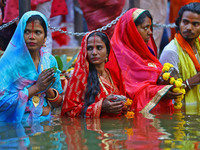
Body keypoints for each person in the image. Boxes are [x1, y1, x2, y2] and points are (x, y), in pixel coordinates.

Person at [111, 8, 182, 115]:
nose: (150, 32)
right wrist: (159, 93)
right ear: (132, 29)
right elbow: (128, 92)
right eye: (145, 28)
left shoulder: (147, 52)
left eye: (150, 27)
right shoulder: (120, 56)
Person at [0, 11, 63, 122]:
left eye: (37, 32)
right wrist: (36, 88)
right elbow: (2, 103)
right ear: (20, 35)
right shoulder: (9, 64)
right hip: (17, 127)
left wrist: (47, 89)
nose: (32, 37)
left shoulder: (49, 61)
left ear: (45, 38)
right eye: (27, 32)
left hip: (45, 123)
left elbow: (58, 103)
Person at [61, 31, 127, 118]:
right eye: (90, 48)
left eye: (99, 48)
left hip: (116, 127)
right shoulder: (79, 78)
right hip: (91, 129)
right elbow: (68, 113)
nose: (94, 52)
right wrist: (100, 107)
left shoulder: (113, 75)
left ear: (107, 52)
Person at [159, 2, 200, 115]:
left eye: (195, 24)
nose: (188, 28)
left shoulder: (198, 44)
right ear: (179, 22)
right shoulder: (171, 51)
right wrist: (197, 78)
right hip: (180, 114)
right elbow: (169, 92)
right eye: (185, 22)